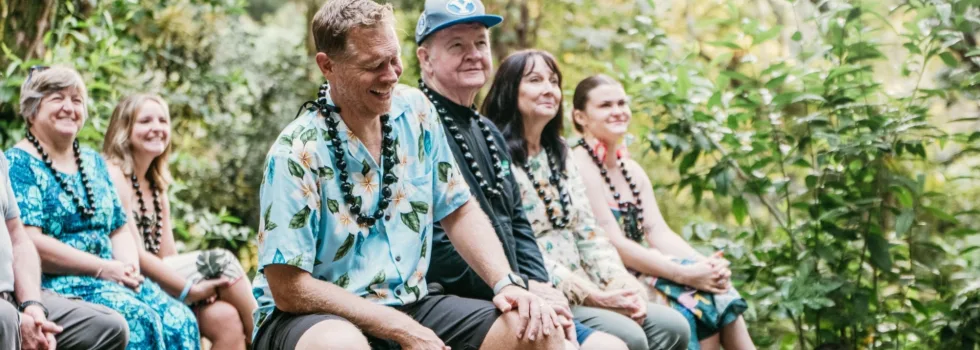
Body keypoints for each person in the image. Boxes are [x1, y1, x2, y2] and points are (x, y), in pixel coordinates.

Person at [250, 1, 568, 349]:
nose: (391, 75)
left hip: (410, 302)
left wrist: (505, 282)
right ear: (328, 66)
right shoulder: (295, 153)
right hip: (314, 318)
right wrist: (399, 328)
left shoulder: (416, 110)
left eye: (394, 59)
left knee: (537, 330)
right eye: (374, 65)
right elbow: (289, 288)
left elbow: (458, 209)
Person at [414, 1, 624, 349]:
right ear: (425, 58)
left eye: (480, 43)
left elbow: (519, 225)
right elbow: (436, 242)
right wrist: (517, 287)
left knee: (610, 346)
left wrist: (541, 286)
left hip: (517, 291)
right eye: (457, 45)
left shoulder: (487, 131)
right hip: (463, 298)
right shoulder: (416, 126)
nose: (473, 54)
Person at [485, 50, 691, 350]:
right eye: (535, 80)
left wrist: (620, 285)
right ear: (509, 90)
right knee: (630, 335)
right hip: (546, 289)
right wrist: (589, 295)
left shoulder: (559, 152)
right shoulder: (494, 156)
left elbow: (589, 231)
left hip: (589, 281)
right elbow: (515, 244)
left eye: (553, 81)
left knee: (674, 326)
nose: (548, 89)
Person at [5, 65, 201, 350]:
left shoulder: (93, 161)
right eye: (57, 98)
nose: (69, 107)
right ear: (32, 110)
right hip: (61, 283)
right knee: (139, 319)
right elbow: (30, 241)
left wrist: (127, 268)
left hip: (111, 276)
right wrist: (103, 268)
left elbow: (118, 227)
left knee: (181, 319)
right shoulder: (18, 163)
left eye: (76, 100)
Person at [569, 74, 755, 350]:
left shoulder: (631, 170)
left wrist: (705, 265)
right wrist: (684, 274)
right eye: (606, 105)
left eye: (622, 103)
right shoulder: (579, 165)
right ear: (580, 117)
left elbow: (658, 232)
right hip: (610, 275)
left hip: (646, 266)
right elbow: (613, 242)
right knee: (695, 300)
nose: (618, 111)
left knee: (720, 290)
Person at [103, 94, 258, 349]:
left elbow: (168, 257)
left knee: (226, 319)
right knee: (222, 262)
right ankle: (266, 339)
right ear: (124, 129)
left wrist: (197, 285)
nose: (157, 128)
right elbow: (135, 256)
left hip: (158, 279)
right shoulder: (114, 175)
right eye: (145, 121)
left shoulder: (156, 186)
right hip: (126, 279)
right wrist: (189, 288)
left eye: (163, 121)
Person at [1, 148, 129, 350]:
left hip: (13, 295)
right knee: (6, 318)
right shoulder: (20, 161)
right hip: (6, 310)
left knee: (110, 327)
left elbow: (18, 240)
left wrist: (32, 306)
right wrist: (17, 320)